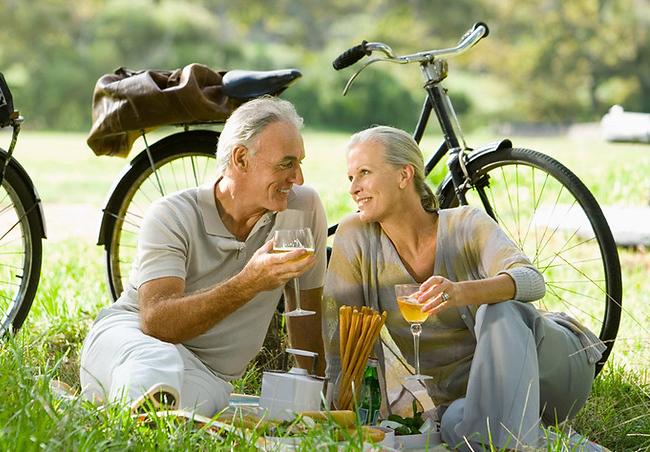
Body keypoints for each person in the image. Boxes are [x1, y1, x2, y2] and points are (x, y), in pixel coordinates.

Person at [322, 125, 607, 451]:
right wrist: (338, 412)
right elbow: (338, 337)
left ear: (404, 175)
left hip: (548, 371)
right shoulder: (356, 237)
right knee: (461, 428)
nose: (354, 189)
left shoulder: (466, 224)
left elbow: (532, 280)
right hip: (474, 399)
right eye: (350, 178)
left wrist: (461, 292)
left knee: (498, 307)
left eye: (364, 173)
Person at [78, 96, 328, 416]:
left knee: (184, 412)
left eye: (299, 163)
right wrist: (249, 282)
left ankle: (111, 411)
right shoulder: (172, 215)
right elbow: (156, 324)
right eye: (286, 163)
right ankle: (126, 412)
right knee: (157, 363)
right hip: (131, 340)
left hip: (209, 374)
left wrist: (321, 396)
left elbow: (306, 312)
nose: (298, 178)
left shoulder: (302, 208)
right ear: (241, 159)